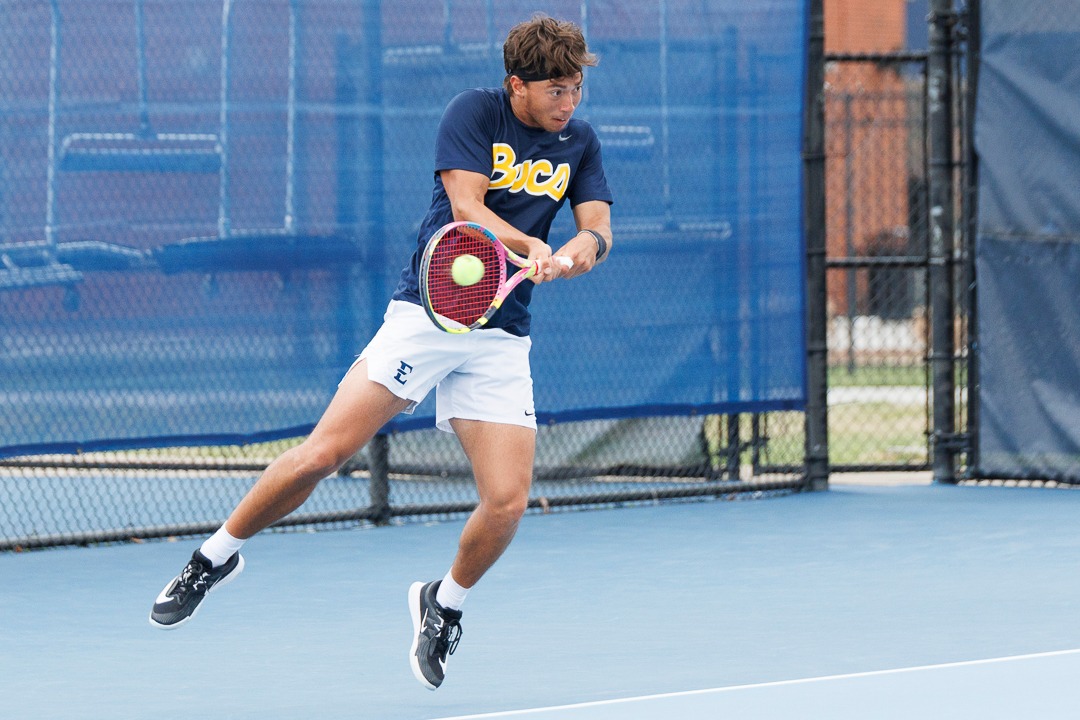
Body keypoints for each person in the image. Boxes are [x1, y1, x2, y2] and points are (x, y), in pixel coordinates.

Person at [148, 13, 613, 691]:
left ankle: (443, 602)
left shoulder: (582, 141)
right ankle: (214, 557)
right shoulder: (474, 113)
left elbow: (597, 228)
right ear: (517, 85)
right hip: (429, 315)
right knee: (324, 454)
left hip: (500, 337)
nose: (568, 103)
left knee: (508, 502)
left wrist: (577, 253)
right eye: (555, 91)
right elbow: (466, 209)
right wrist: (530, 245)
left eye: (576, 89)